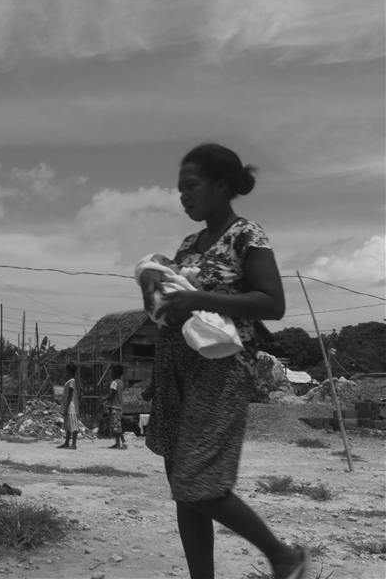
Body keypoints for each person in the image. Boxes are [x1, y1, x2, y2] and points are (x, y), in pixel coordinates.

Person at [139, 143, 309, 579]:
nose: (183, 196)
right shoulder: (189, 243)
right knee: (182, 488)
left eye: (190, 186)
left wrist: (200, 296)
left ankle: (283, 556)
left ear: (220, 186)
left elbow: (273, 303)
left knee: (197, 484)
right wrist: (158, 282)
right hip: (177, 368)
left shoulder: (247, 235)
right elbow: (175, 302)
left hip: (222, 370)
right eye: (179, 189)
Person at [102, 364, 127, 449]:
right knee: (115, 425)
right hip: (118, 406)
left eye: (112, 372)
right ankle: (117, 443)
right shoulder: (121, 382)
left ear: (116, 373)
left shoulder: (114, 382)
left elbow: (112, 394)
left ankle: (124, 443)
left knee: (116, 426)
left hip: (114, 407)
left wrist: (103, 399)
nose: (111, 374)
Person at [57, 363, 80, 449]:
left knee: (73, 426)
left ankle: (73, 444)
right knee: (68, 426)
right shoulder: (70, 381)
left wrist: (66, 407)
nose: (65, 373)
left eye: (66, 372)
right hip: (69, 407)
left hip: (71, 408)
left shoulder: (72, 381)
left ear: (70, 372)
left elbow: (70, 395)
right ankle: (66, 442)